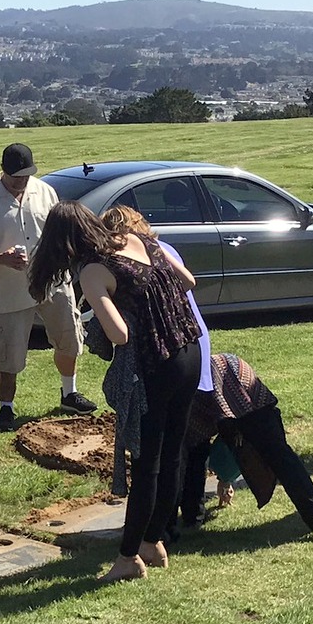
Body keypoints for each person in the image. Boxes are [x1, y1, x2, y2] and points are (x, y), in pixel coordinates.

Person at [28, 200, 203, 583]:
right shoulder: (138, 239)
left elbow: (119, 334)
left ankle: (127, 558)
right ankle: (153, 542)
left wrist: (106, 317)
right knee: (173, 454)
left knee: (146, 463)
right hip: (191, 353)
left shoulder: (94, 269)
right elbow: (188, 281)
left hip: (156, 366)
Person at [0, 143, 95, 432]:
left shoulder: (45, 191)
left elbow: (60, 232)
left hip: (53, 281)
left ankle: (69, 393)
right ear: (3, 171)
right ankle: (6, 409)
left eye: (27, 175)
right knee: (8, 352)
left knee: (69, 337)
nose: (22, 182)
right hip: (10, 289)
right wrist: (1, 258)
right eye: (17, 177)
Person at [98, 206, 215, 498]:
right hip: (192, 341)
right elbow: (188, 281)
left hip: (162, 353)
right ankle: (188, 511)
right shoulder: (159, 247)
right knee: (187, 439)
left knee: (159, 448)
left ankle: (161, 524)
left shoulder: (117, 263)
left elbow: (119, 333)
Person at [181, 353, 313, 541]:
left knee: (277, 455)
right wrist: (225, 478)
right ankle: (191, 518)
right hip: (218, 383)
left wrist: (225, 477)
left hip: (236, 384)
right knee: (279, 456)